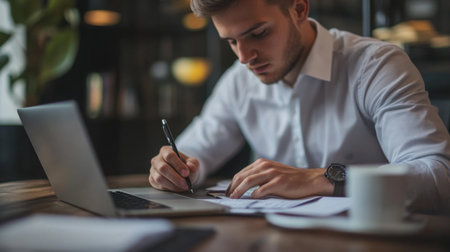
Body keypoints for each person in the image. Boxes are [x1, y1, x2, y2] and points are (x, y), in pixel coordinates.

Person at [149, 0, 450, 214]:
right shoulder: (238, 82)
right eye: (231, 42)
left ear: (299, 9)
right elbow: (193, 154)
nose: (244, 57)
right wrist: (174, 170)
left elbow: (439, 178)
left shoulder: (375, 66)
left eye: (258, 34)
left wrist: (323, 178)